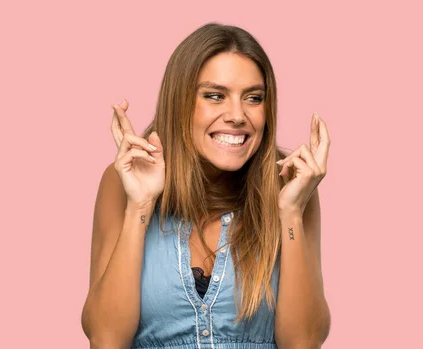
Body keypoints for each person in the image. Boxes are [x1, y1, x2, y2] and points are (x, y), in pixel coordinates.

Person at [81, 22, 331, 349]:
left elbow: (303, 342)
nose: (238, 115)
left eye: (254, 98)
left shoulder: (290, 186)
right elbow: (105, 337)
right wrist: (140, 207)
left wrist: (292, 214)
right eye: (215, 96)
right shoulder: (123, 181)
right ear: (180, 101)